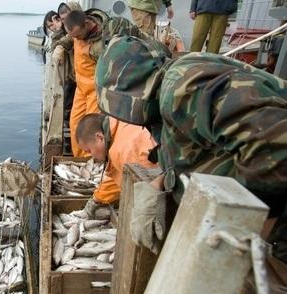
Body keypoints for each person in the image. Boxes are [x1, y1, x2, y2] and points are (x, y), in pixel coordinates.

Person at [96, 35, 287, 253]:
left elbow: (273, 146)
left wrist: (246, 237)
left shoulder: (180, 87)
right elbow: (197, 145)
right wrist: (160, 182)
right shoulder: (165, 102)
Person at [71, 113, 159, 219]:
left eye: (89, 151)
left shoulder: (120, 151)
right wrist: (96, 200)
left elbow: (146, 194)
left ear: (99, 137)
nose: (92, 156)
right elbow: (117, 175)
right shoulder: (120, 124)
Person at [63, 9, 108, 157]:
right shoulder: (77, 30)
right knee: (75, 125)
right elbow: (70, 37)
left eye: (78, 35)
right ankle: (79, 161)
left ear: (87, 24)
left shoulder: (101, 44)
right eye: (73, 36)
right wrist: (60, 46)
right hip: (80, 89)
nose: (76, 39)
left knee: (91, 130)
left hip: (95, 91)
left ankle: (91, 162)